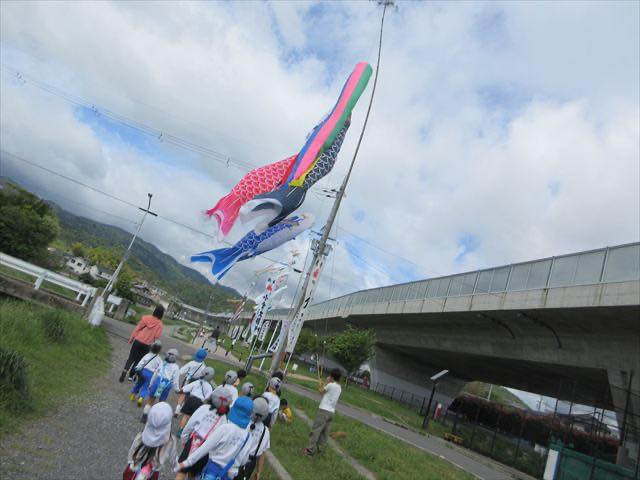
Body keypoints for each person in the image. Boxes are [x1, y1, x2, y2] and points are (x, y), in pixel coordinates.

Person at [174, 397, 254, 480]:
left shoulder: (225, 428)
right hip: (228, 476)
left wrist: (187, 462)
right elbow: (243, 461)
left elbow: (205, 447)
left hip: (212, 472)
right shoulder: (248, 437)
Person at [175, 389, 230, 480]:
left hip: (193, 443)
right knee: (193, 475)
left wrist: (184, 440)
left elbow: (189, 425)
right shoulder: (223, 418)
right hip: (206, 450)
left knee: (181, 472)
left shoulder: (204, 408)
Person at [124, 402, 176, 480]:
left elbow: (132, 451)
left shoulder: (141, 436)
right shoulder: (169, 441)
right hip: (152, 473)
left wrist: (131, 462)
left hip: (134, 468)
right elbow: (169, 458)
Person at [301, 368, 342, 456]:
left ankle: (310, 450)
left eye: (330, 375)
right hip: (331, 412)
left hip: (324, 411)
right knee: (324, 433)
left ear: (332, 377)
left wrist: (325, 382)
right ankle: (320, 451)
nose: (329, 377)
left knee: (316, 430)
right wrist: (325, 384)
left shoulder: (330, 385)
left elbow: (321, 391)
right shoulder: (339, 387)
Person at [120, 305, 165, 383]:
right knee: (138, 360)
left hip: (138, 341)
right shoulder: (160, 324)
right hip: (147, 345)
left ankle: (125, 370)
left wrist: (131, 338)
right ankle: (131, 376)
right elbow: (156, 337)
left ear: (155, 311)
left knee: (131, 357)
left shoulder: (146, 318)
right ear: (161, 314)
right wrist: (154, 348)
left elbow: (137, 329)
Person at [142, 348, 181, 423]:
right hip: (166, 385)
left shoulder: (162, 363)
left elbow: (155, 374)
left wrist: (151, 383)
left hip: (158, 382)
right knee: (161, 403)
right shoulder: (176, 367)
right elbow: (175, 381)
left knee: (151, 399)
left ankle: (144, 416)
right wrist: (177, 390)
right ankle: (156, 418)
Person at [236, 397, 270, 480]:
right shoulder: (265, 431)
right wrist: (258, 472)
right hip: (250, 463)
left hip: (236, 456)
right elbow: (262, 454)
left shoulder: (242, 421)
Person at [177, 366, 216, 433]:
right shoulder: (209, 387)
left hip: (190, 399)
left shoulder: (197, 382)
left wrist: (181, 390)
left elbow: (187, 388)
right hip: (199, 402)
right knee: (192, 418)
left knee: (185, 416)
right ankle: (187, 431)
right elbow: (208, 397)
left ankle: (180, 430)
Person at [175, 349, 208, 416]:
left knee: (183, 394)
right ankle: (181, 410)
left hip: (187, 380)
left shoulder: (191, 363)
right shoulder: (204, 366)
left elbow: (181, 371)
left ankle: (177, 410)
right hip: (195, 382)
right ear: (204, 358)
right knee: (188, 397)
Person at [130, 340, 163, 407]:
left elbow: (141, 363)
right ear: (159, 350)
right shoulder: (159, 359)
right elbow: (160, 369)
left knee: (138, 383)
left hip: (143, 371)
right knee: (146, 387)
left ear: (151, 347)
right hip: (150, 374)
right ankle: (141, 398)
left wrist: (136, 371)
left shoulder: (147, 355)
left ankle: (133, 395)